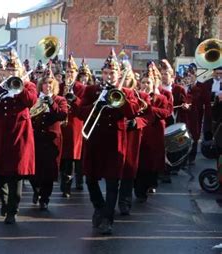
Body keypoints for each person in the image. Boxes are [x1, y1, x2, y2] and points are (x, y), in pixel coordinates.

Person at [70, 49, 140, 235]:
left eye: (112, 73)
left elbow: (132, 111)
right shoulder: (92, 90)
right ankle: (99, 207)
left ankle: (108, 219)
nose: (109, 76)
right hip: (94, 139)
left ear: (118, 74)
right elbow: (79, 111)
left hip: (115, 140)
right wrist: (96, 104)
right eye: (106, 73)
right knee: (90, 179)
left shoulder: (125, 91)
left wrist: (120, 98)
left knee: (112, 182)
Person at [0, 49, 37, 224]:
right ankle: (5, 201)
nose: (11, 74)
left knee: (16, 175)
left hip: (19, 134)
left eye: (15, 71)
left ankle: (12, 210)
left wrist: (19, 86)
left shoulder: (28, 85)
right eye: (9, 71)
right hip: (1, 133)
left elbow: (31, 101)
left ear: (21, 72)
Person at [30, 64, 68, 210]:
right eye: (45, 83)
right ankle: (36, 190)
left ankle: (45, 198)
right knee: (34, 170)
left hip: (52, 140)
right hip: (36, 138)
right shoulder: (35, 99)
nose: (48, 86)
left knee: (49, 171)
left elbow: (62, 115)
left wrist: (51, 103)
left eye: (50, 83)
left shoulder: (60, 100)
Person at [118, 61, 153, 215]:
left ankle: (125, 202)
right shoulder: (108, 92)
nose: (124, 80)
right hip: (115, 135)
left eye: (127, 78)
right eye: (122, 77)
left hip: (131, 136)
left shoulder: (142, 96)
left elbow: (149, 116)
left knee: (128, 169)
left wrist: (136, 122)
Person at [134, 70, 171, 202]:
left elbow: (166, 112)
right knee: (139, 162)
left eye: (148, 82)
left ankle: (149, 184)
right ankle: (139, 189)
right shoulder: (136, 96)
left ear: (153, 83)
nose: (145, 84)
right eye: (143, 82)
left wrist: (150, 108)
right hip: (140, 132)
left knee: (151, 162)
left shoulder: (161, 98)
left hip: (154, 133)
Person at [59, 54, 85, 198]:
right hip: (62, 124)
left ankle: (69, 184)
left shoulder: (81, 87)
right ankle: (63, 181)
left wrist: (74, 98)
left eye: (72, 72)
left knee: (73, 155)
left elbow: (83, 105)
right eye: (67, 72)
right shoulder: (60, 86)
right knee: (63, 154)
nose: (69, 74)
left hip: (75, 124)